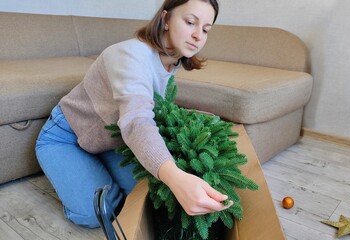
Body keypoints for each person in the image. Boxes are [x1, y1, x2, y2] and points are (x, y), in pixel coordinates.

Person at [35, 0, 231, 228]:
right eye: (190, 22)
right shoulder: (129, 55)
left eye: (206, 29)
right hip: (65, 137)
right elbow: (137, 120)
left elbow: (152, 107)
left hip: (107, 142)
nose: (198, 35)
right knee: (97, 213)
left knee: (144, 196)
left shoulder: (171, 62)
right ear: (166, 19)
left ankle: (92, 172)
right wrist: (176, 177)